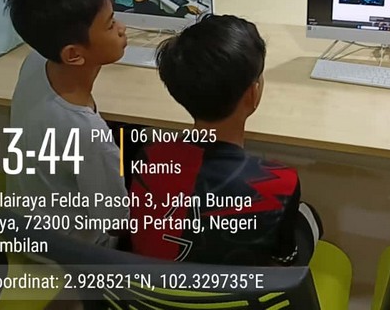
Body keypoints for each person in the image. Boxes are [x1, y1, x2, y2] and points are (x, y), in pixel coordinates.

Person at [130, 15, 322, 265]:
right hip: (242, 288)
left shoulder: (149, 156)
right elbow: (285, 260)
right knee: (308, 216)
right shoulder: (280, 181)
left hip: (153, 286)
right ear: (253, 93)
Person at [3, 0, 129, 246]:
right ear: (73, 54)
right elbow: (116, 223)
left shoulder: (37, 60)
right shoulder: (87, 133)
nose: (122, 27)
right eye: (110, 25)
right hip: (68, 248)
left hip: (25, 220)